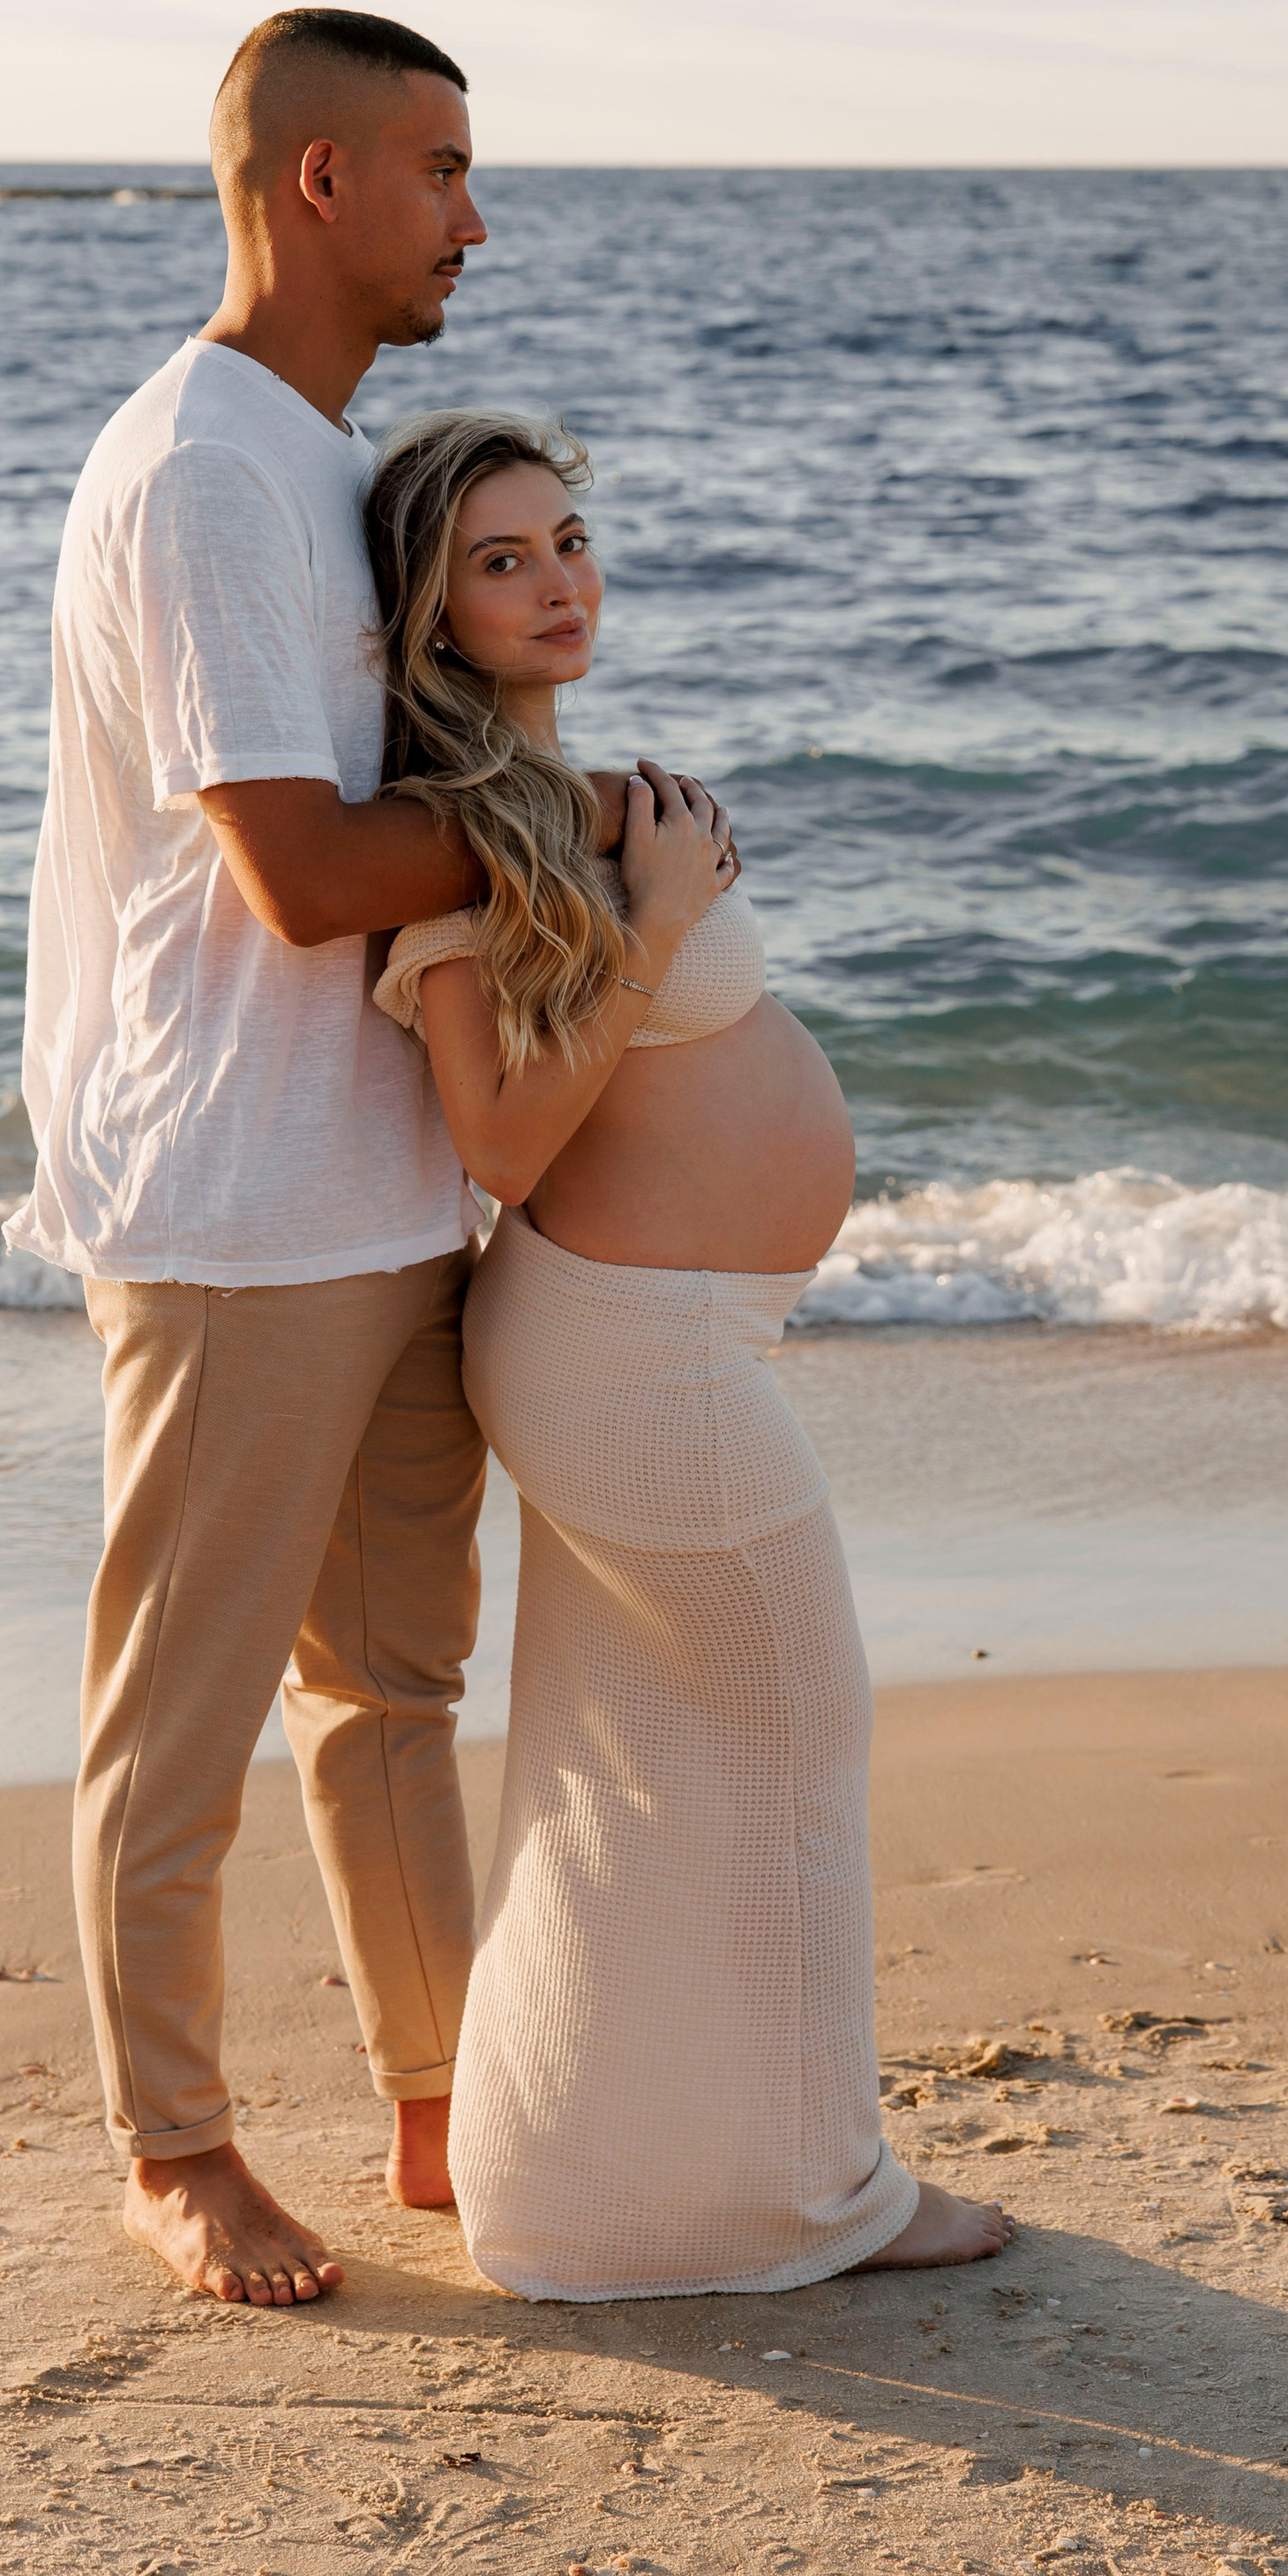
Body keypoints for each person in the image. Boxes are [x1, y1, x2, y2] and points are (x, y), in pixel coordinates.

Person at [4, 8, 722, 2309]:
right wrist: (580, 834)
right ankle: (177, 2150)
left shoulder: (319, 466)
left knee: (394, 1687)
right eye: (440, 172)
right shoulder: (207, 470)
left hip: (383, 1184)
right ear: (319, 184)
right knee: (186, 1705)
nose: (474, 221)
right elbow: (300, 875)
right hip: (228, 1206)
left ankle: (441, 2110)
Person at [366, 408, 1015, 2297]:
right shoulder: (445, 838)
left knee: (634, 1770)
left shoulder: (572, 793)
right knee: (798, 1729)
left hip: (667, 1341)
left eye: (565, 539)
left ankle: (581, 2198)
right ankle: (822, 2200)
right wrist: (650, 931)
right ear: (426, 608)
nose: (557, 578)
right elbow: (497, 1139)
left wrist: (640, 897)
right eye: (500, 558)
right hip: (626, 1360)